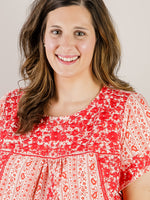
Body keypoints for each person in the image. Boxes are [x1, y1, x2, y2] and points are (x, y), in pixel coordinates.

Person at [0, 0, 150, 199]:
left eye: (80, 33)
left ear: (99, 38)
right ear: (42, 37)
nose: (67, 45)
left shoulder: (126, 111)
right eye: (56, 32)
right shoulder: (8, 109)